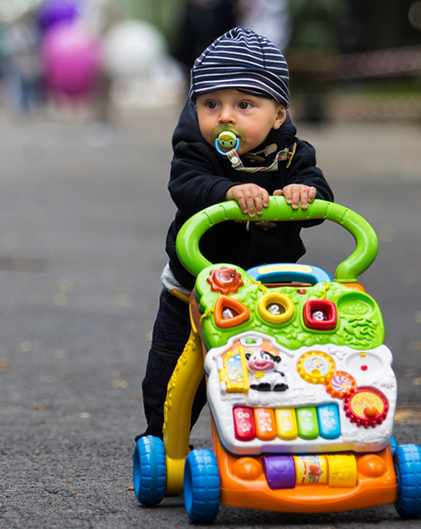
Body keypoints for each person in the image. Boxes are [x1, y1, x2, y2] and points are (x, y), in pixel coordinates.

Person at [138, 27, 333, 440]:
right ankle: (163, 440)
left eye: (244, 104)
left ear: (278, 114)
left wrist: (303, 194)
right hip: (193, 288)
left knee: (273, 372)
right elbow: (186, 185)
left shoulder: (293, 153)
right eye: (211, 104)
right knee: (171, 372)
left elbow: (322, 199)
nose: (225, 116)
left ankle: (276, 436)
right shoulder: (197, 147)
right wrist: (227, 190)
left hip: (269, 292)